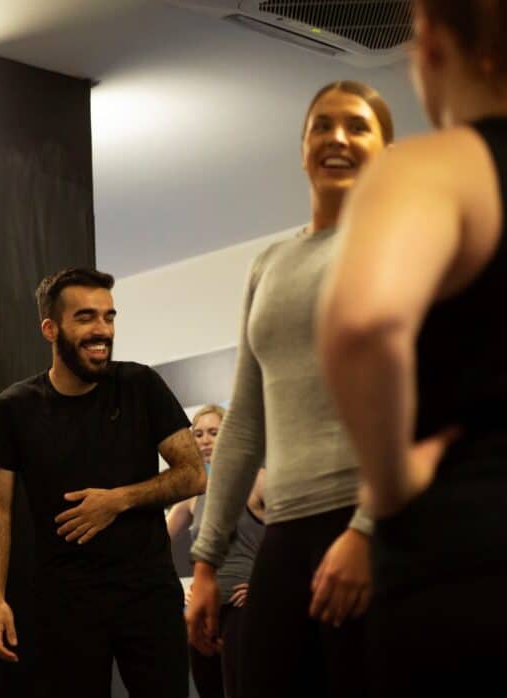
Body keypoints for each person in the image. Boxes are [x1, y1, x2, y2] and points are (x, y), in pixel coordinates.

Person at [317, 2, 507, 694]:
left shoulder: (438, 168)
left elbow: (364, 325)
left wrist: (391, 481)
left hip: (469, 557)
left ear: (429, 41)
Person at [187, 81, 394, 697]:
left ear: (386, 150)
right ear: (302, 148)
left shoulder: (402, 246)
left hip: (373, 523)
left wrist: (366, 530)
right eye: (322, 125)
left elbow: (424, 398)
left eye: (357, 126)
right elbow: (245, 421)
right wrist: (205, 562)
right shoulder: (269, 265)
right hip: (286, 529)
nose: (337, 138)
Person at [0, 267, 206, 698]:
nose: (102, 330)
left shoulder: (140, 385)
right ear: (50, 329)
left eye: (109, 316)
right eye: (85, 317)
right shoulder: (15, 408)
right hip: (64, 601)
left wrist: (118, 500)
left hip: (147, 593)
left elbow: (193, 473)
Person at [167, 405, 265, 698]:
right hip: (204, 614)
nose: (205, 440)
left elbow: (290, 537)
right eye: (198, 434)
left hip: (245, 608)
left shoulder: (257, 479)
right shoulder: (192, 494)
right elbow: (152, 546)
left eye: (213, 432)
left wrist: (264, 586)